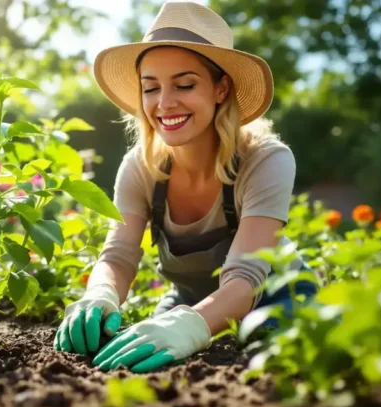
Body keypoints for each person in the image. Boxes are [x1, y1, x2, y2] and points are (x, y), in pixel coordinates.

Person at [53, 1, 317, 373]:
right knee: (125, 355)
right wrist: (100, 294)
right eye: (151, 88)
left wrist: (190, 326)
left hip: (274, 298)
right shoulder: (141, 168)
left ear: (221, 88)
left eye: (185, 84)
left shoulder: (265, 160)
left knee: (265, 355)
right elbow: (118, 256)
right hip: (192, 306)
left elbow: (247, 278)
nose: (164, 103)